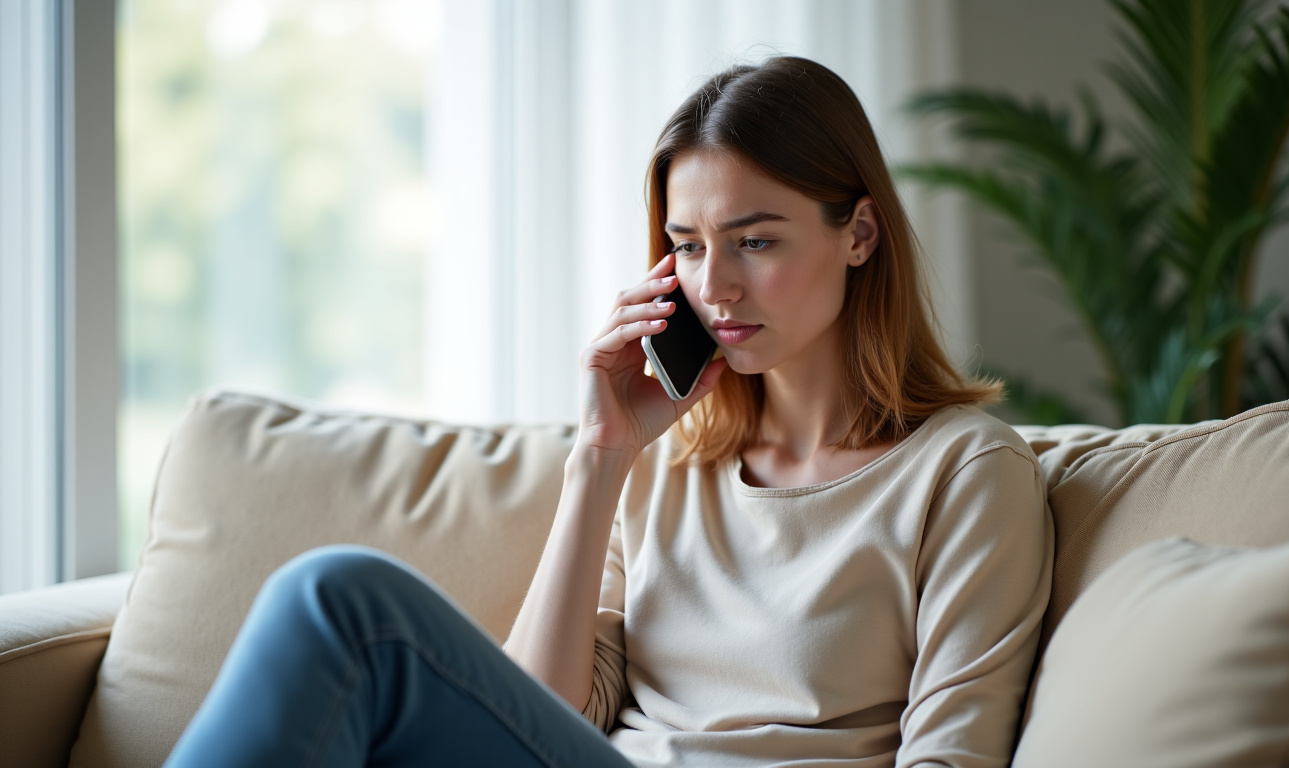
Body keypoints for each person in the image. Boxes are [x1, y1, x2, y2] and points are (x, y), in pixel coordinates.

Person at [165, 55, 1052, 768]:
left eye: (756, 240)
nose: (716, 285)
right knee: (330, 600)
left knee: (338, 598)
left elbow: (952, 756)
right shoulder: (668, 463)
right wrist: (600, 458)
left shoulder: (966, 471)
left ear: (859, 233)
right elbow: (538, 721)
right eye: (686, 246)